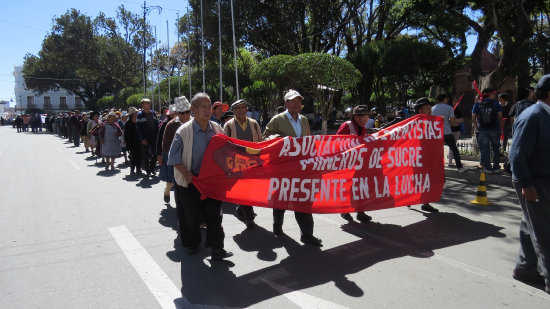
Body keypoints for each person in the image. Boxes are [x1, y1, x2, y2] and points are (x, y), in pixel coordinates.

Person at [168, 92, 233, 260]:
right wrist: (186, 174)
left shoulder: (217, 128)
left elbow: (225, 151)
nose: (207, 110)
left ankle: (217, 248)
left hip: (211, 182)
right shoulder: (183, 131)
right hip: (190, 181)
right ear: (193, 109)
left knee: (215, 216)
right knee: (191, 216)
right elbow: (173, 157)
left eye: (208, 106)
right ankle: (191, 244)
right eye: (203, 107)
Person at [263, 89, 322, 246]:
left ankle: (307, 235)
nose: (297, 104)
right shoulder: (278, 119)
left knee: (303, 200)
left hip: (302, 169)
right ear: (286, 103)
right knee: (281, 199)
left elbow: (308, 141)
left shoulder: (304, 120)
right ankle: (277, 226)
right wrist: (278, 139)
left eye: (299, 102)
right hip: (283, 169)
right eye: (293, 101)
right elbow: (265, 137)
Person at [509, 74, 550, 295]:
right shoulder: (532, 116)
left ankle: (525, 269)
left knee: (531, 223)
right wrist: (527, 184)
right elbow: (517, 155)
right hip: (534, 180)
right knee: (544, 229)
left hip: (542, 179)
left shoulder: (546, 115)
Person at [224, 99, 263, 228]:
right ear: (233, 111)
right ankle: (249, 217)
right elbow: (226, 145)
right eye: (238, 108)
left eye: (243, 107)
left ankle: (241, 209)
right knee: (243, 189)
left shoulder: (254, 123)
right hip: (237, 163)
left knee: (250, 189)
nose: (241, 110)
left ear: (246, 109)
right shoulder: (229, 125)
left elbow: (260, 142)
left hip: (252, 161)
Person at [336, 105, 373, 223]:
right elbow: (336, 143)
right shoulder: (347, 126)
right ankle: (344, 210)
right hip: (347, 163)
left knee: (361, 187)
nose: (363, 119)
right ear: (354, 117)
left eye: (365, 116)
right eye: (359, 116)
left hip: (359, 164)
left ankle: (360, 212)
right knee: (348, 188)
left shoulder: (364, 128)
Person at [410, 97, 439, 212]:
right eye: (426, 108)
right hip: (417, 156)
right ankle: (419, 200)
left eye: (430, 108)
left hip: (429, 156)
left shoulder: (433, 122)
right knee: (419, 179)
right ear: (420, 111)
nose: (429, 110)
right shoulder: (413, 122)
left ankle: (424, 202)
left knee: (428, 179)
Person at [162, 96, 192, 204]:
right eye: (182, 112)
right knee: (175, 184)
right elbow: (165, 145)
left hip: (192, 161)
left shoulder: (195, 122)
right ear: (177, 112)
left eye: (187, 112)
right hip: (177, 162)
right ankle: (167, 191)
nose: (185, 115)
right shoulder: (170, 125)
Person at [432, 94, 467, 173]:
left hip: (436, 133)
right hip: (447, 132)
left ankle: (436, 166)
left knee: (436, 150)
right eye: (447, 99)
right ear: (444, 99)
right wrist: (456, 123)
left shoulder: (432, 108)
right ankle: (460, 167)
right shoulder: (449, 108)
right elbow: (452, 121)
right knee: (454, 149)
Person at [472, 88, 503, 173]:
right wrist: (501, 127)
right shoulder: (497, 104)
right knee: (496, 148)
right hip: (495, 129)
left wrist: (477, 127)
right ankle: (496, 167)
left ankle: (487, 167)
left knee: (485, 149)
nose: (494, 95)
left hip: (482, 130)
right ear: (490, 94)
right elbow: (500, 117)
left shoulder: (477, 104)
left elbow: (473, 118)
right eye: (493, 94)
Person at [157, 104, 178, 202]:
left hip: (181, 153)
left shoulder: (183, 122)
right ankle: (167, 191)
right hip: (168, 153)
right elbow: (159, 140)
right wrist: (158, 155)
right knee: (170, 178)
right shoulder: (165, 124)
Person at [136, 98, 159, 177]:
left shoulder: (153, 113)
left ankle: (152, 168)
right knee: (145, 155)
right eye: (146, 104)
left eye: (149, 103)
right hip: (145, 138)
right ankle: (147, 170)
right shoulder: (140, 114)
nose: (148, 105)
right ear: (142, 105)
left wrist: (158, 135)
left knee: (155, 154)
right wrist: (142, 138)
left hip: (154, 137)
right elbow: (138, 128)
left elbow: (157, 125)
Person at [124, 107, 141, 175]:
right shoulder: (128, 123)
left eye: (137, 113)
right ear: (132, 115)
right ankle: (132, 169)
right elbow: (126, 134)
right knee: (133, 156)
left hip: (139, 141)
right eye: (135, 113)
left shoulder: (139, 122)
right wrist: (126, 141)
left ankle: (138, 169)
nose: (136, 114)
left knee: (139, 156)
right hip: (132, 142)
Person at [449, 96, 464, 166]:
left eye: (456, 101)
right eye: (454, 101)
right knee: (452, 146)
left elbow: (461, 120)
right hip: (450, 130)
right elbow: (449, 122)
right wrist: (454, 121)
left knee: (453, 145)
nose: (455, 103)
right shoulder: (449, 109)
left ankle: (451, 159)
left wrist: (453, 120)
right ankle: (450, 161)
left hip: (457, 130)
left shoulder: (458, 110)